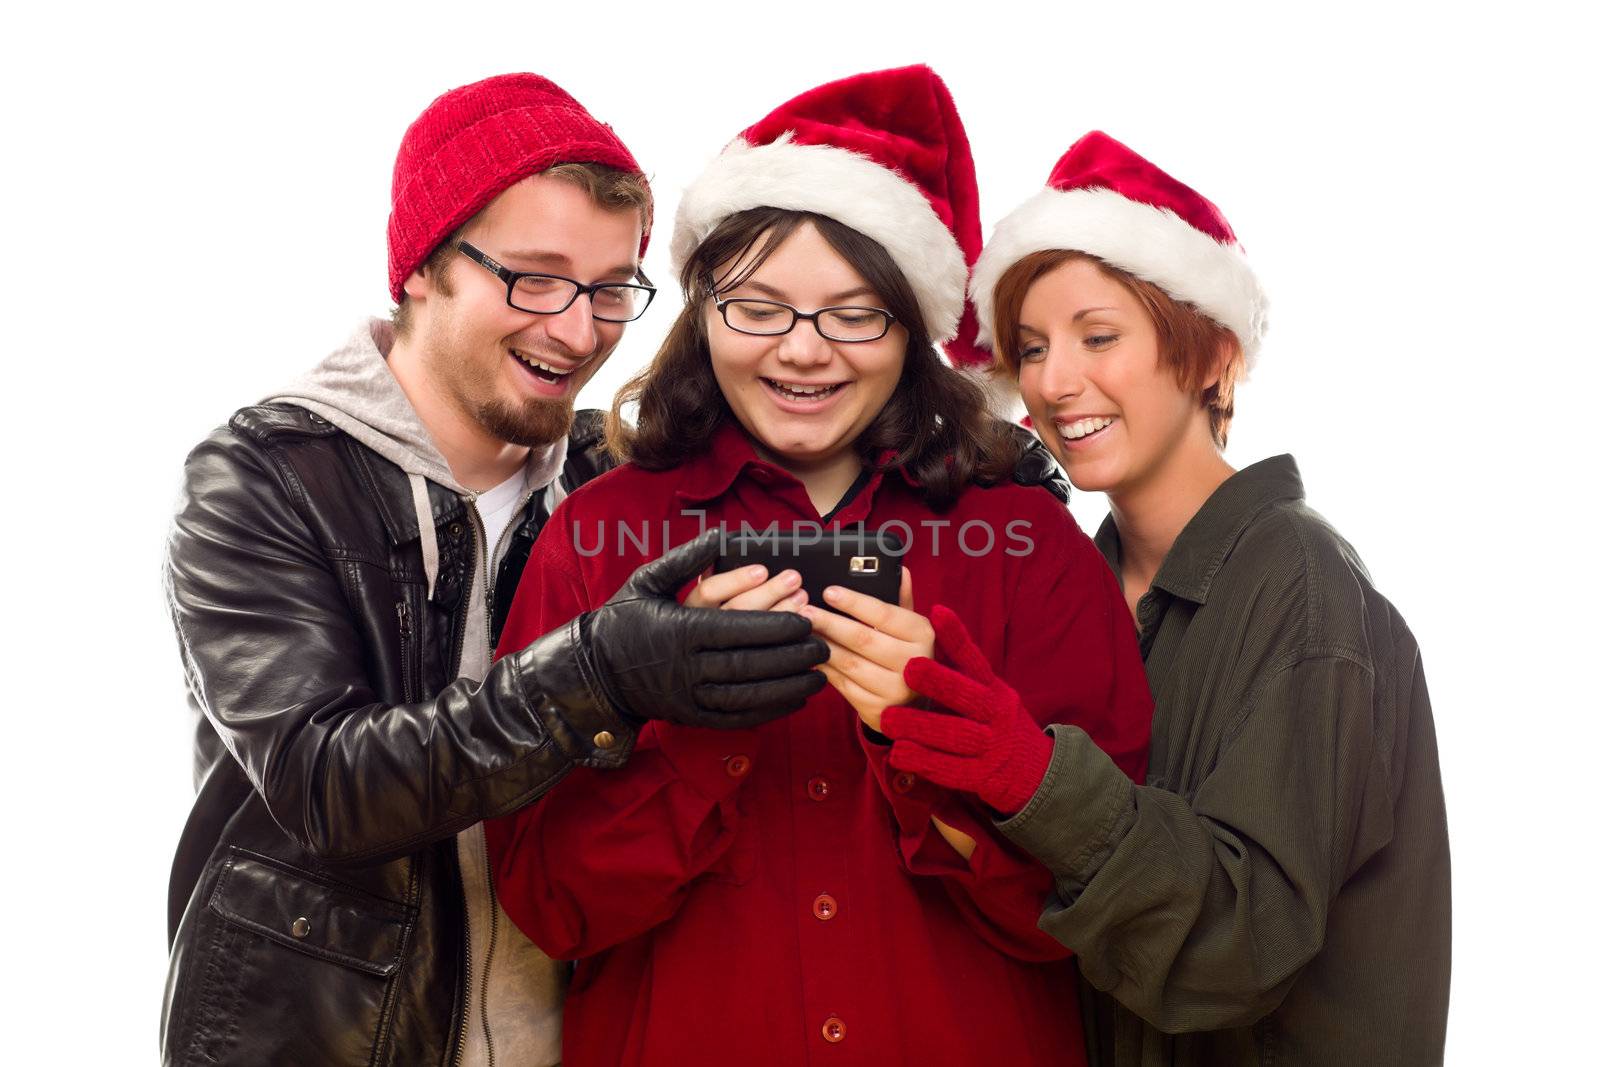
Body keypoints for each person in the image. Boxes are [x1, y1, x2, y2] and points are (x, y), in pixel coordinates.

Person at [485, 67, 1153, 1067]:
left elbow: (1108, 915)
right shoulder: (596, 534)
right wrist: (699, 727)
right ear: (702, 310)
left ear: (911, 325)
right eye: (757, 307)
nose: (803, 352)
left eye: (853, 313)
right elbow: (550, 904)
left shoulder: (1031, 544)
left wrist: (944, 733)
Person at [162, 73, 826, 1067]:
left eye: (609, 288)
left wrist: (989, 468)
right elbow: (324, 782)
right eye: (534, 277)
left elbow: (825, 445)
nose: (576, 327)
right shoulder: (261, 477)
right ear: (424, 266)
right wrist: (597, 673)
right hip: (316, 1038)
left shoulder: (612, 475)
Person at [883, 130, 1451, 1065]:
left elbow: (1239, 944)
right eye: (1030, 347)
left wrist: (1038, 780)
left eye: (1098, 336)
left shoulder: (1304, 592)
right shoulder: (1081, 587)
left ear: (1210, 355)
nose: (1055, 383)